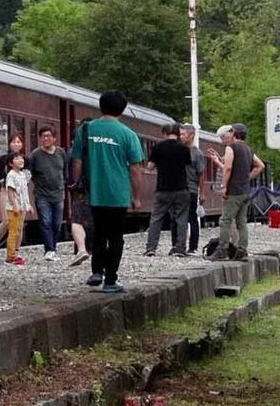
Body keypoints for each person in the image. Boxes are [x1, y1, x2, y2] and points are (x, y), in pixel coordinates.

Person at [70, 91, 145, 293]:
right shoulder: (128, 134)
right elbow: (135, 169)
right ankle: (110, 280)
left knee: (98, 233)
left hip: (94, 192)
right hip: (117, 194)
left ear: (100, 106)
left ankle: (96, 272)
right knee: (115, 237)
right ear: (122, 109)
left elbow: (76, 161)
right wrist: (136, 197)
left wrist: (76, 185)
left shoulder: (85, 130)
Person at [205, 123, 265, 261]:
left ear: (233, 133)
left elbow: (228, 168)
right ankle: (242, 250)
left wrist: (224, 186)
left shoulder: (231, 147)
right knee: (241, 223)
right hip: (245, 191)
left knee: (225, 220)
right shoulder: (248, 149)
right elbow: (260, 166)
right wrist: (247, 177)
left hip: (233, 191)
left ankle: (222, 250)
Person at [143, 123, 192, 257]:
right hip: (181, 189)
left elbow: (150, 167)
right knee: (181, 219)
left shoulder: (158, 147)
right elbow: (187, 165)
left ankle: (151, 248)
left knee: (156, 218)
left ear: (164, 133)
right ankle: (180, 248)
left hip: (163, 189)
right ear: (177, 133)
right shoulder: (184, 148)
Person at [28, 126, 68, 261]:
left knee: (56, 223)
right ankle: (49, 249)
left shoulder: (61, 153)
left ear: (54, 138)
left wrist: (64, 184)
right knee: (45, 222)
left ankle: (53, 248)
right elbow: (29, 173)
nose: (46, 138)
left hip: (58, 194)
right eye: (43, 136)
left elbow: (65, 172)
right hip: (42, 195)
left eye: (48, 136)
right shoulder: (35, 155)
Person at [0, 134, 25, 259]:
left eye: (19, 142)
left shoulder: (25, 160)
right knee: (6, 221)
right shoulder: (3, 159)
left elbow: (27, 177)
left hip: (20, 194)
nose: (16, 144)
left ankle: (15, 252)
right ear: (9, 144)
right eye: (13, 142)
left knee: (19, 224)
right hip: (5, 191)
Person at [66, 118, 93, 268]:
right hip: (98, 190)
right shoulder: (98, 150)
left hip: (80, 190)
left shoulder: (73, 151)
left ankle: (81, 249)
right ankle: (94, 250)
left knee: (77, 221)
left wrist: (74, 184)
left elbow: (73, 168)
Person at [175, 123, 206, 255]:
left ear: (191, 135)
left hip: (191, 189)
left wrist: (202, 193)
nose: (181, 137)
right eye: (180, 134)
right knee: (178, 218)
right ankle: (178, 245)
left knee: (192, 218)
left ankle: (193, 246)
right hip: (177, 188)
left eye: (183, 134)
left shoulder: (197, 153)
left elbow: (201, 174)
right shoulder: (178, 150)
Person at [4, 153, 35, 266]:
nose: (21, 160)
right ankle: (10, 256)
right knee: (13, 231)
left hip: (22, 207)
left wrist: (29, 205)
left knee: (18, 230)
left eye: (21, 158)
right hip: (13, 208)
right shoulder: (11, 175)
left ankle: (15, 254)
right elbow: (11, 192)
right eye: (17, 158)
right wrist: (15, 205)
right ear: (11, 163)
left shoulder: (22, 175)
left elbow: (24, 193)